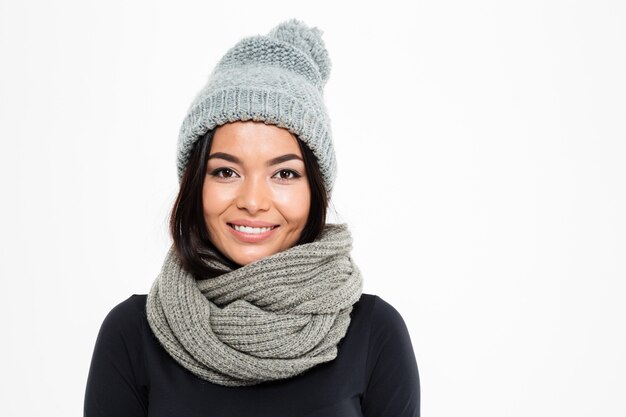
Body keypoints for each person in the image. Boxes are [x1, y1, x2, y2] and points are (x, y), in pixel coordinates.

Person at [84, 19, 420, 417]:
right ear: (196, 185)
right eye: (226, 171)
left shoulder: (374, 333)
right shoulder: (132, 334)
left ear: (315, 190)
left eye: (284, 173)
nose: (254, 201)